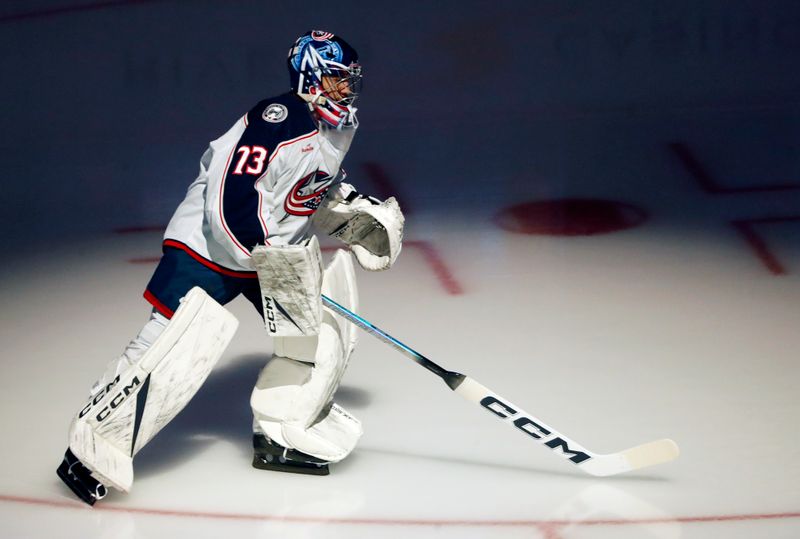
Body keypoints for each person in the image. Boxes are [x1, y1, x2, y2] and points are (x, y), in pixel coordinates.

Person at [56, 30, 404, 506]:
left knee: (318, 339)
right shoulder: (276, 119)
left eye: (351, 81)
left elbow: (305, 189)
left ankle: (282, 432)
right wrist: (261, 254)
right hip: (210, 249)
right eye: (339, 80)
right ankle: (92, 448)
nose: (348, 90)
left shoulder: (338, 127)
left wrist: (348, 214)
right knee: (170, 347)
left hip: (272, 256)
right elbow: (230, 196)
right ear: (312, 76)